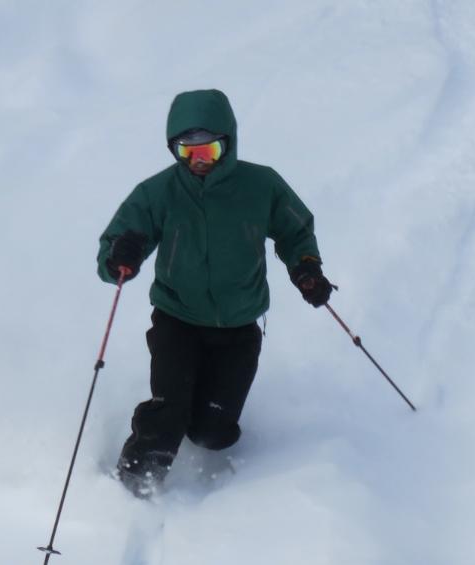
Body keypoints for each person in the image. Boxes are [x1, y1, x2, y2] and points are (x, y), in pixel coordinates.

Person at [97, 89, 333, 497]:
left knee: (212, 432)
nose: (200, 161)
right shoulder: (158, 193)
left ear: (230, 141)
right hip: (177, 318)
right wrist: (122, 255)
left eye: (210, 149)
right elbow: (114, 247)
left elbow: (296, 231)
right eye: (188, 153)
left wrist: (306, 268)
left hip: (239, 326)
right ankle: (131, 488)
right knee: (169, 411)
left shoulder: (261, 185)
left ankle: (199, 411)